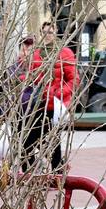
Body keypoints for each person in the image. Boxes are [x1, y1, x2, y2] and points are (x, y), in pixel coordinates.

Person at [24, 20, 78, 170]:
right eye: (44, 33)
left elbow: (73, 79)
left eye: (50, 33)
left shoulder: (65, 53)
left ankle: (57, 172)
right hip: (39, 103)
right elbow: (30, 76)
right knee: (28, 140)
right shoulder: (36, 53)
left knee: (53, 140)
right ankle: (31, 171)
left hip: (56, 104)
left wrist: (58, 93)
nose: (47, 36)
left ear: (55, 33)